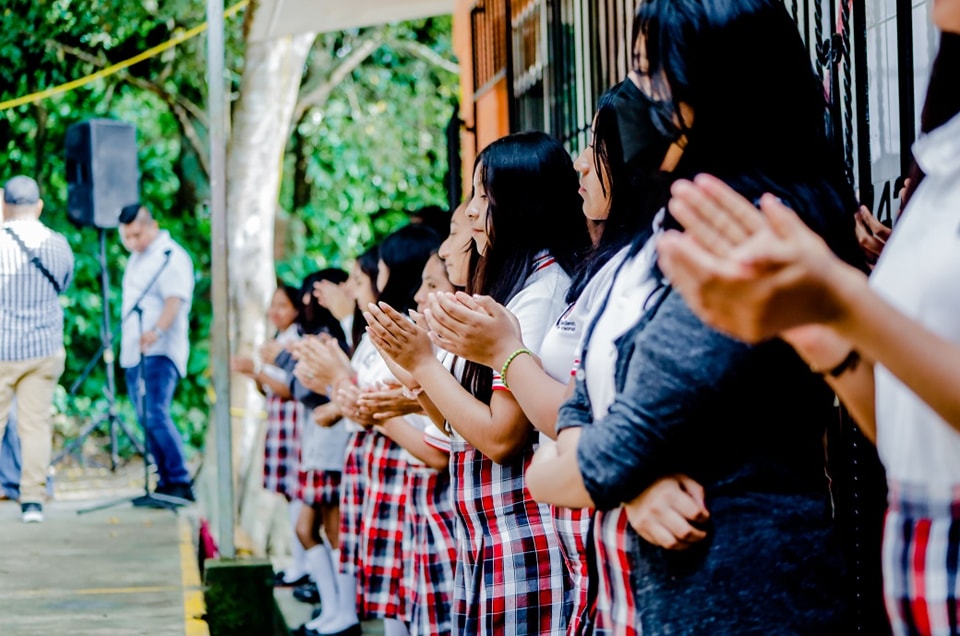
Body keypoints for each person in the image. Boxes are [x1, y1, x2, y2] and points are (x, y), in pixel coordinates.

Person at [525, 1, 865, 633]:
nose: (637, 95)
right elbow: (581, 408)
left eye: (649, 71)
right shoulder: (659, 229)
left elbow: (607, 449)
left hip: (742, 598)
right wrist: (623, 479)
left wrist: (601, 471)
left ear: (718, 85)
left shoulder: (748, 232)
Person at [655, 24, 960, 636]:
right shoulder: (941, 154)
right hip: (920, 559)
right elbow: (908, 428)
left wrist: (843, 301)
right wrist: (825, 338)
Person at [366, 131, 589, 635]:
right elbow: (458, 426)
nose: (469, 213)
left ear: (521, 204)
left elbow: (500, 437)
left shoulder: (541, 292)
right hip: (492, 532)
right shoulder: (518, 287)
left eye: (482, 196)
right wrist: (416, 371)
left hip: (521, 532)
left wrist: (423, 367)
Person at [0, 176, 73, 523]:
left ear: (4, 205)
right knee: (35, 426)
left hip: (2, 347)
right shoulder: (57, 244)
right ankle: (32, 501)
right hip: (42, 349)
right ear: (39, 206)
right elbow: (65, 284)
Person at [232, 284, 310, 587]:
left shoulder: (296, 341)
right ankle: (299, 565)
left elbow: (291, 389)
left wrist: (256, 370)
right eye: (273, 305)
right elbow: (268, 388)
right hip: (280, 421)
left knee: (296, 492)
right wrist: (256, 374)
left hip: (294, 423)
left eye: (282, 305)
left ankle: (302, 567)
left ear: (296, 310)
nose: (275, 311)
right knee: (289, 494)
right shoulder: (278, 339)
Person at [118, 203, 195, 502]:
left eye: (137, 235)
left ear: (152, 226)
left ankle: (179, 480)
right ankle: (164, 482)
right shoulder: (137, 258)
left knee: (155, 413)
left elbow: (175, 300)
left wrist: (157, 331)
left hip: (159, 350)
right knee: (144, 416)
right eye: (126, 237)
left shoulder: (169, 256)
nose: (132, 242)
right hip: (135, 351)